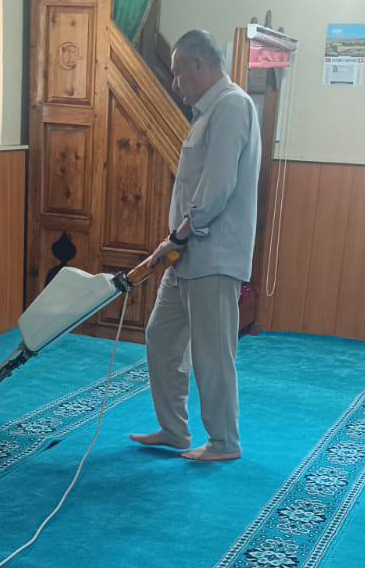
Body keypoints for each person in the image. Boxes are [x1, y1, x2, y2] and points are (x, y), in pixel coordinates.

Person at [129, 29, 261, 462]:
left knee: (212, 353)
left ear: (200, 66)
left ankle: (224, 442)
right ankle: (174, 430)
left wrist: (178, 235)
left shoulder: (232, 106)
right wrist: (177, 241)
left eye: (178, 72)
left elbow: (217, 187)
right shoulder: (207, 112)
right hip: (187, 255)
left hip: (212, 256)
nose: (175, 82)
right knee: (161, 336)